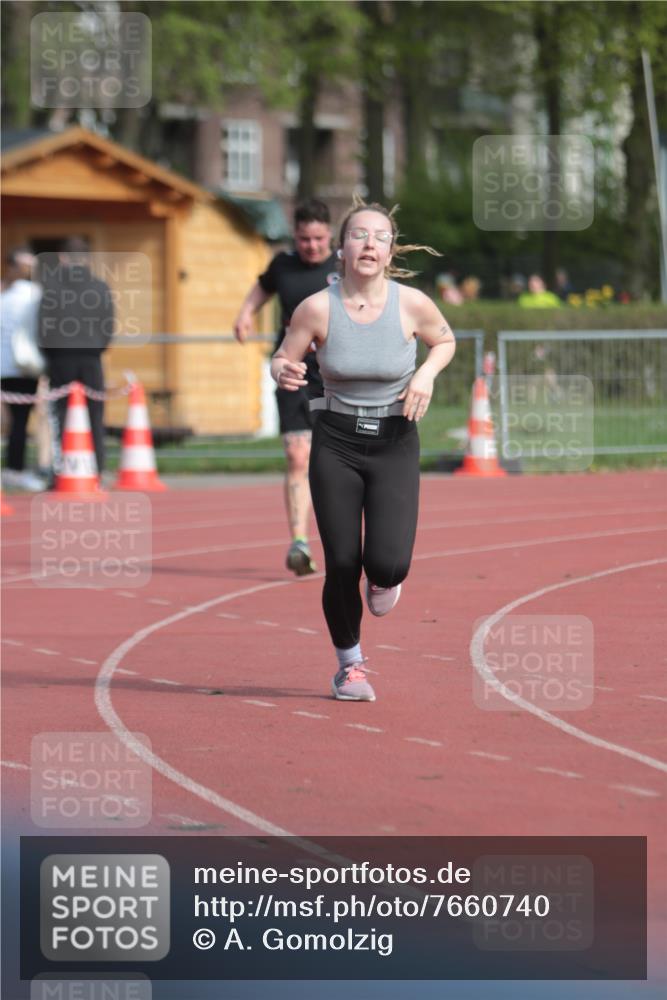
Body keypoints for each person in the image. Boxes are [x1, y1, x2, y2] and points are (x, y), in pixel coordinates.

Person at [270, 197, 456, 702]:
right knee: (343, 561)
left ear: (391, 249)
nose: (369, 243)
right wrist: (281, 370)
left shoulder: (412, 304)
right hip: (337, 440)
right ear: (342, 247)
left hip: (396, 439)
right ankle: (349, 666)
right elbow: (283, 357)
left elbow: (445, 341)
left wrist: (425, 375)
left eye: (379, 235)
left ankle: (386, 578)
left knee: (389, 563)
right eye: (359, 235)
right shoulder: (315, 308)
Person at [234, 199, 338, 576]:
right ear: (294, 236)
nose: (311, 246)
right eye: (304, 238)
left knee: (334, 462)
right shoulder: (283, 264)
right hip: (292, 371)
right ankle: (299, 542)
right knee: (297, 456)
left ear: (330, 235)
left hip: (337, 375)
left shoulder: (344, 266)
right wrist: (246, 313)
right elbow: (261, 288)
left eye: (318, 239)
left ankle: (346, 539)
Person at [37, 238, 114, 478]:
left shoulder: (50, 287)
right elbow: (108, 325)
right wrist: (96, 348)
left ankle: (62, 472)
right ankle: (97, 471)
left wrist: (51, 354)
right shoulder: (100, 287)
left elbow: (42, 327)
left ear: (62, 257)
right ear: (87, 258)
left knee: (60, 415)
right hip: (91, 358)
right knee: (94, 415)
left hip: (60, 358)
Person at [0, 248, 46, 491]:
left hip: (6, 367)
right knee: (20, 421)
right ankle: (15, 470)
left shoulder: (4, 295)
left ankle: (12, 468)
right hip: (24, 366)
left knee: (12, 421)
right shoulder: (32, 294)